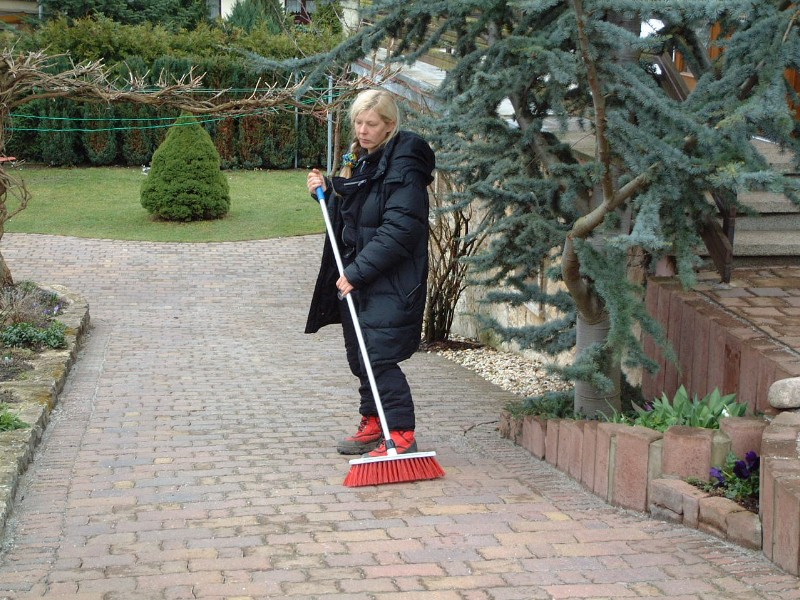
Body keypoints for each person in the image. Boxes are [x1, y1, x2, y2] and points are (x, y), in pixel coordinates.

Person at [305, 89, 435, 457]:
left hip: (390, 280)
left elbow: (399, 230)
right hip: (360, 277)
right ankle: (375, 421)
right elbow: (354, 213)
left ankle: (401, 434)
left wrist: (357, 272)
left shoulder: (404, 168)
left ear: (390, 126)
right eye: (359, 123)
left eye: (371, 124)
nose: (362, 130)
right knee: (360, 355)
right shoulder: (365, 161)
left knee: (377, 356)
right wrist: (326, 190)